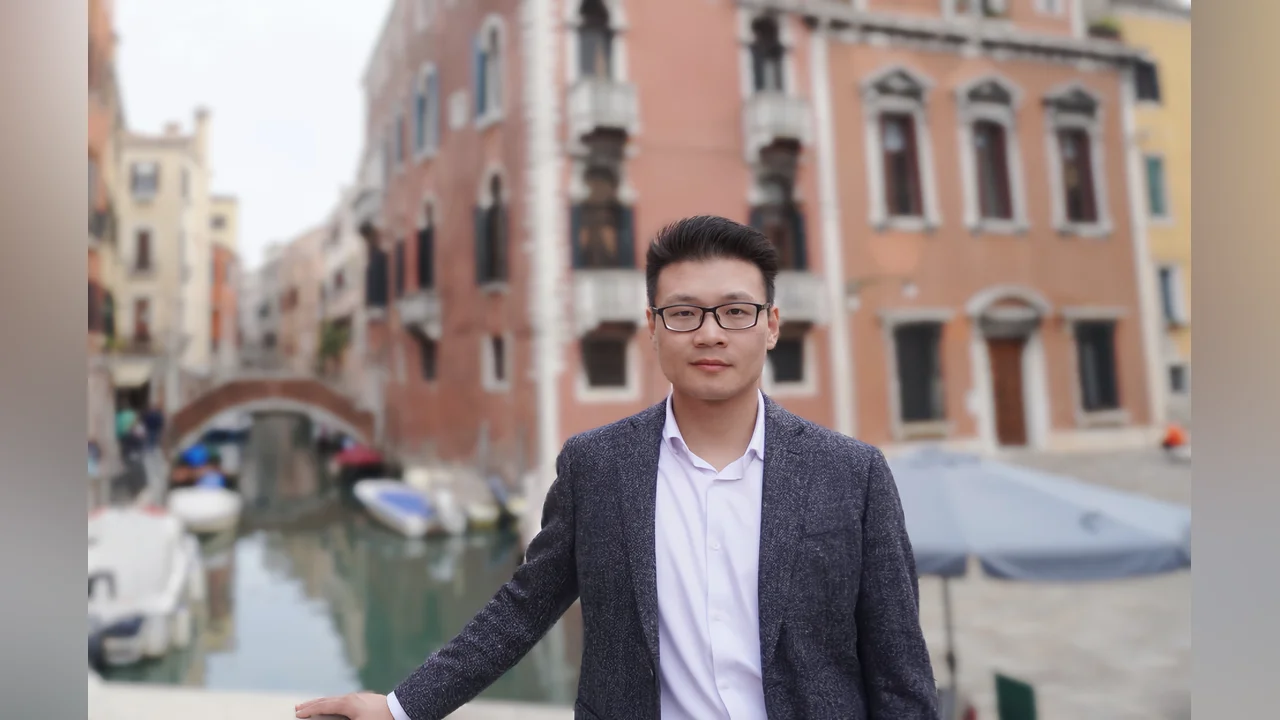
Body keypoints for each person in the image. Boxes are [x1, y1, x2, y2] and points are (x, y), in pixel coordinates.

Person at [296, 215, 939, 720]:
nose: (710, 333)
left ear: (771, 325)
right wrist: (401, 709)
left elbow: (900, 674)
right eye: (683, 313)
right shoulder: (596, 466)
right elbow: (523, 609)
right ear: (653, 328)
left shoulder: (852, 475)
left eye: (735, 311)